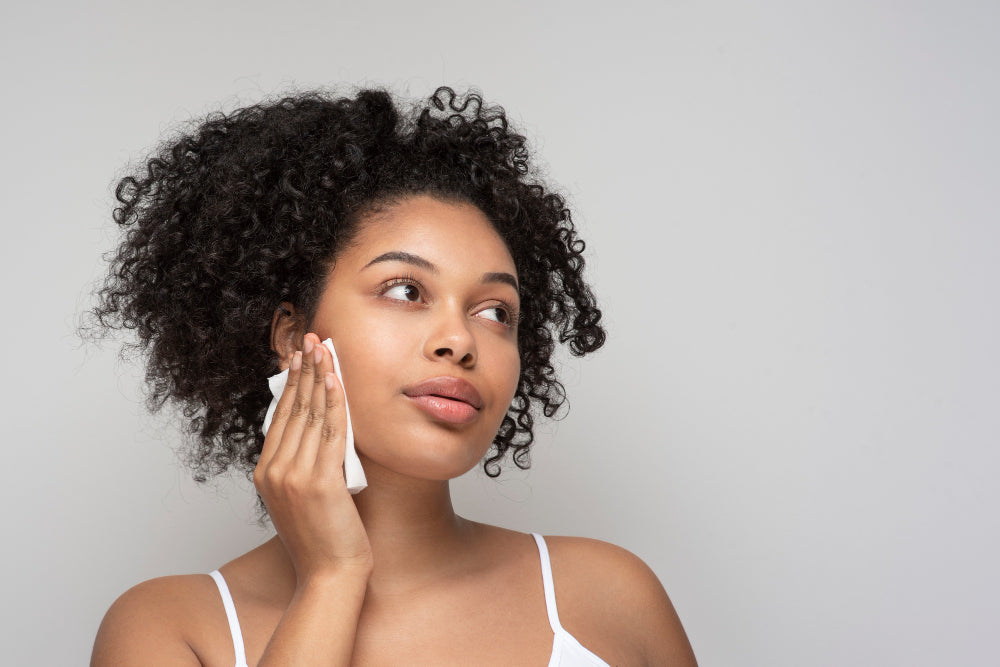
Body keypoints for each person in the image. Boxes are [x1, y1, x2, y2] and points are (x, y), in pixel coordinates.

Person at [85, 86, 698, 666]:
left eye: (495, 311)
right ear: (293, 337)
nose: (460, 341)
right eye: (406, 290)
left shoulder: (608, 597)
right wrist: (332, 575)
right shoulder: (170, 628)